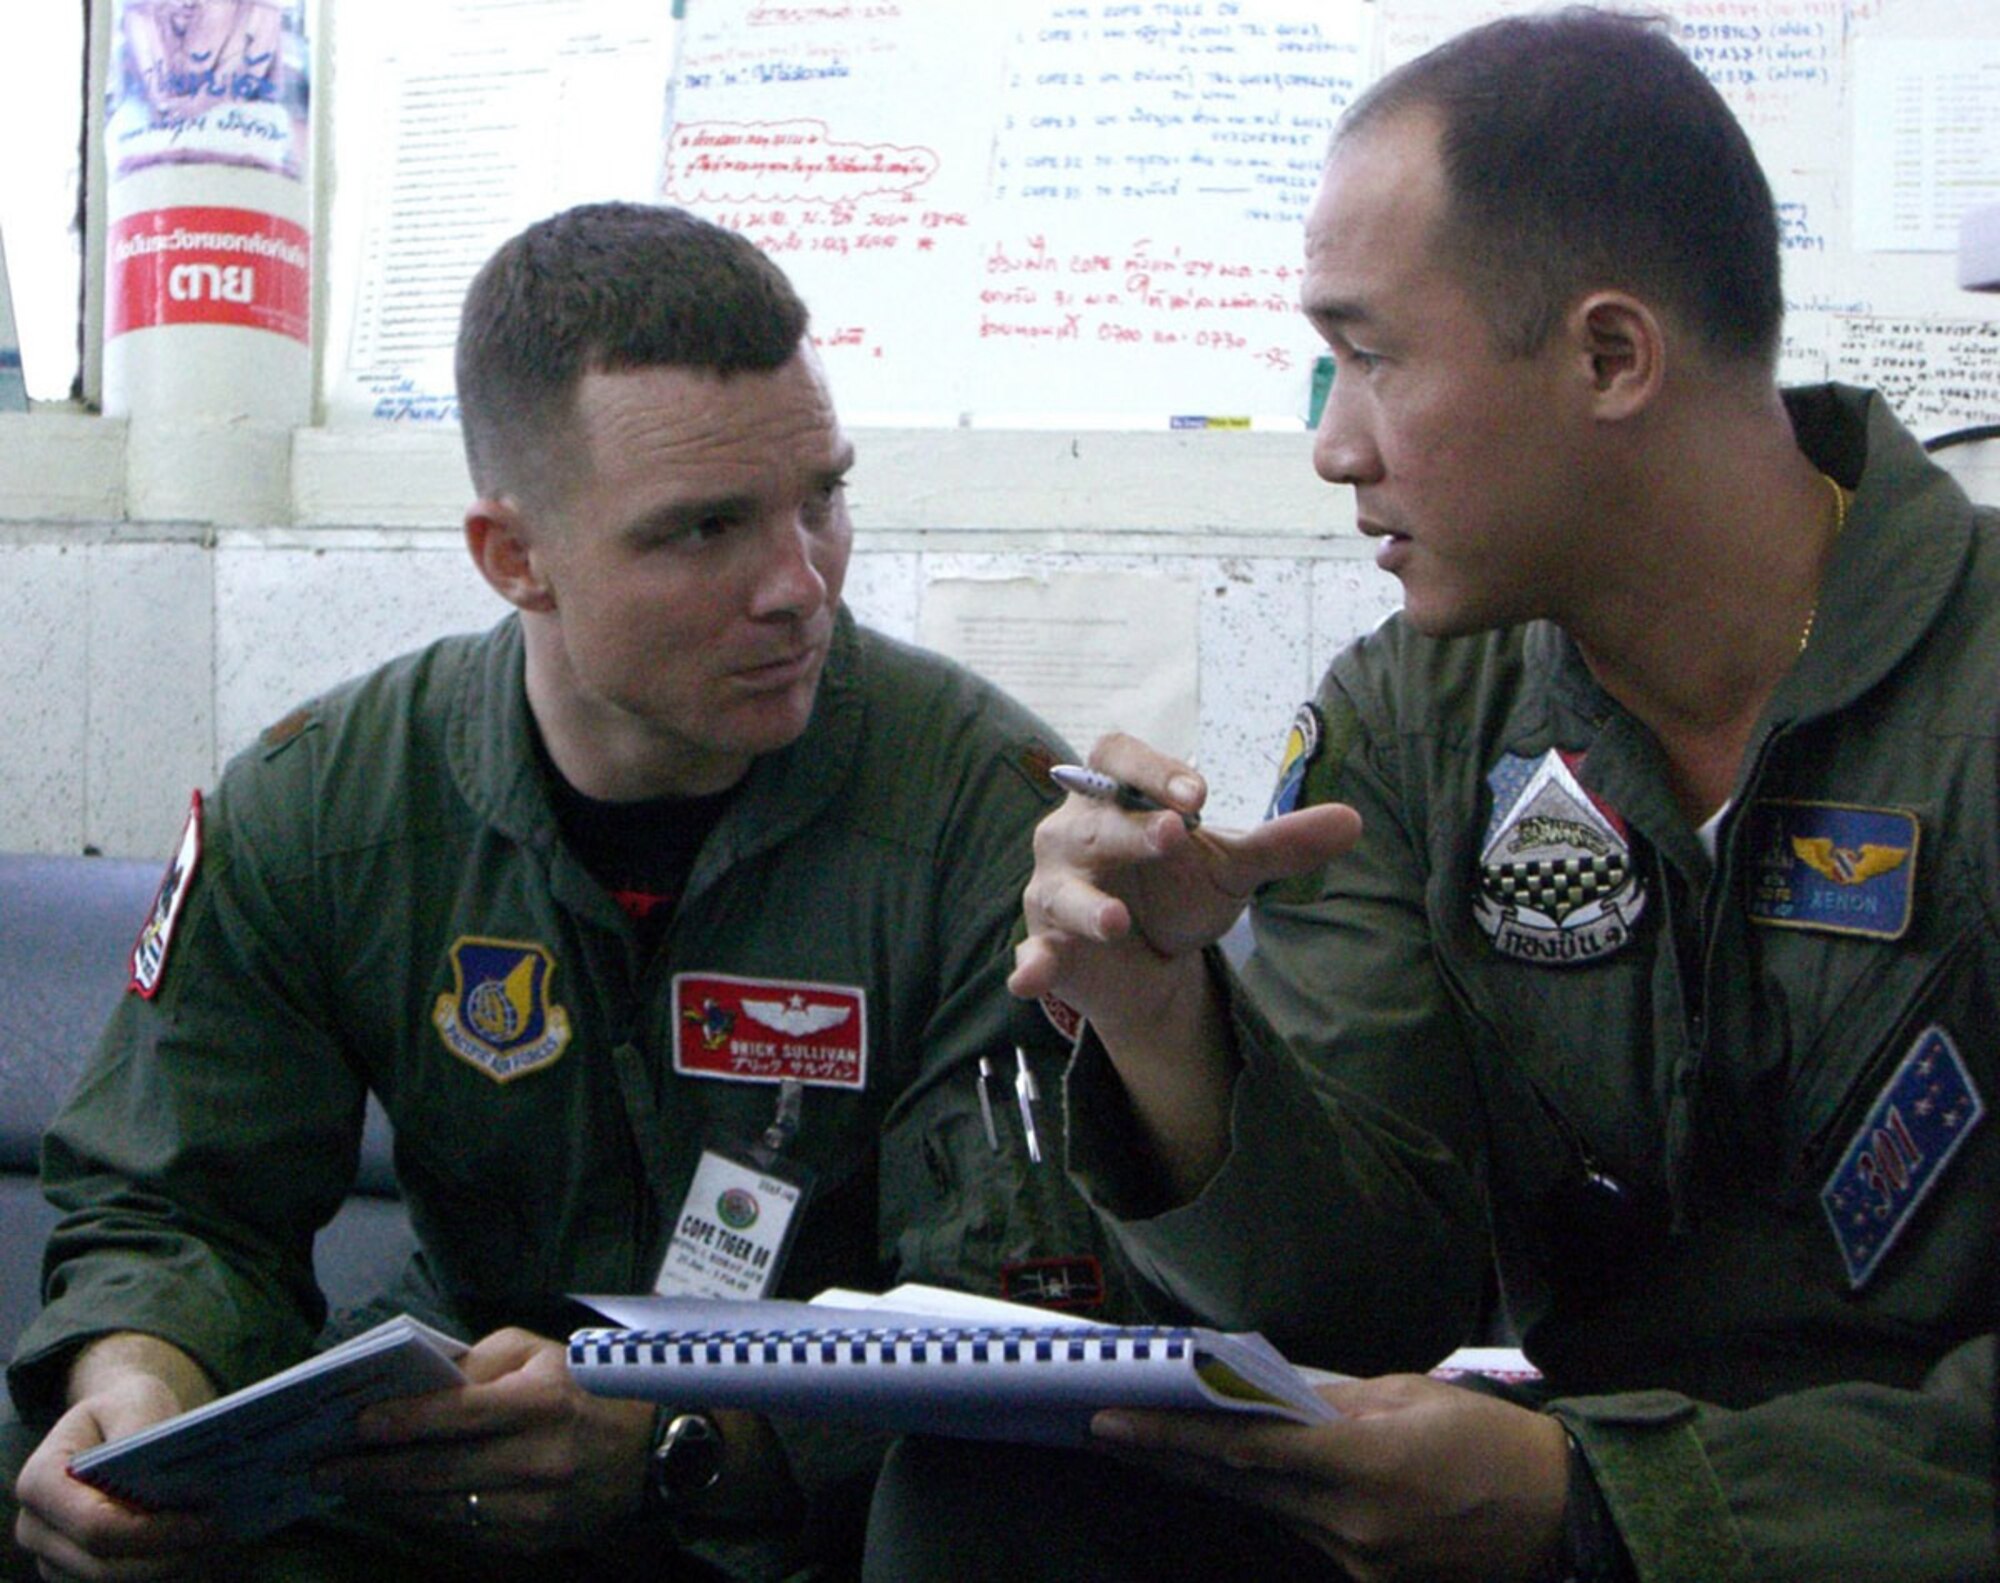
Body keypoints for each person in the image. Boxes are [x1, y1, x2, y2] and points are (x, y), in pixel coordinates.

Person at [865, 10, 1998, 1581]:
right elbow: (1362, 1308)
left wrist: (1609, 1508)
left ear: (1611, 357)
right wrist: (1161, 1017)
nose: (1331, 448)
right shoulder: (1415, 718)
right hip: (1563, 1506)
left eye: (1374, 357)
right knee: (981, 1511)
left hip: (1874, 1527)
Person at [4, 201, 1122, 1581]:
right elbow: (174, 1206)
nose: (801, 585)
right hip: (446, 1476)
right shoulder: (323, 807)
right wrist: (137, 1395)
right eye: (703, 529)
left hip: (815, 1510)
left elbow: (1010, 1329)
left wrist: (684, 1440)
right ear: (512, 556)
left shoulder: (979, 822)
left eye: (820, 495)